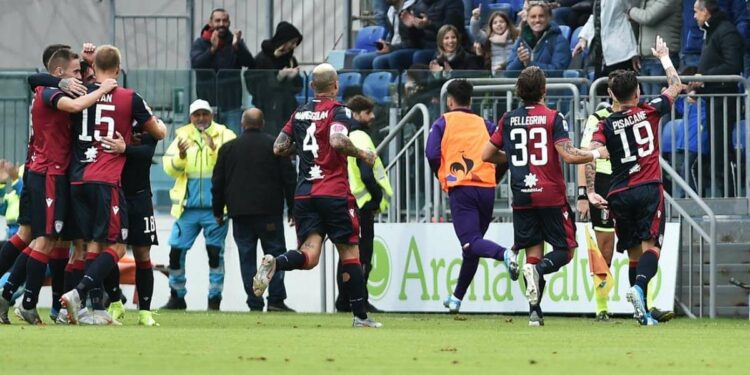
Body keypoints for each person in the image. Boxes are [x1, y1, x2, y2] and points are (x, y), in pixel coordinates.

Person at [252, 63, 382, 328]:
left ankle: (275, 262)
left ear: (312, 86)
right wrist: (363, 153)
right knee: (350, 254)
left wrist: (300, 150)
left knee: (309, 255)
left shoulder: (299, 112)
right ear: (336, 85)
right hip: (334, 192)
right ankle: (360, 316)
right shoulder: (339, 111)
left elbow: (278, 147)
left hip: (305, 195)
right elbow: (336, 142)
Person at [0, 48, 120, 325]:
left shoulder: (51, 88)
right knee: (48, 239)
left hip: (45, 171)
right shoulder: (48, 92)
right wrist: (104, 89)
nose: (80, 75)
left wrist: (90, 64)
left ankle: (8, 296)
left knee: (29, 236)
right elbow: (77, 105)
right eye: (75, 71)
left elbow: (82, 87)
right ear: (58, 73)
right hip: (50, 173)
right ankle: (28, 303)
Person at [481, 66, 608, 327]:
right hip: (549, 194)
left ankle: (534, 313)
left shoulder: (507, 118)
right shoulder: (553, 117)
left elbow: (486, 155)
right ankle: (538, 273)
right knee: (566, 250)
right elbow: (570, 155)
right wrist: (596, 154)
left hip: (522, 196)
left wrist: (517, 158)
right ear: (543, 90)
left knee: (533, 252)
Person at [60, 45, 167, 324]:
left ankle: (89, 310)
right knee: (117, 246)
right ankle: (79, 295)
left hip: (77, 177)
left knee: (90, 246)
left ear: (92, 68)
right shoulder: (129, 98)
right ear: (118, 70)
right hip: (106, 180)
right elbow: (158, 132)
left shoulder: (79, 94)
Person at [585, 36, 682, 326]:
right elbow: (676, 86)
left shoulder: (604, 124)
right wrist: (664, 57)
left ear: (612, 96)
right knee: (652, 247)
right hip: (649, 188)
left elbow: (593, 153)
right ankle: (639, 290)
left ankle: (642, 313)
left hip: (618, 194)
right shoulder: (650, 110)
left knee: (633, 254)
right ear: (638, 92)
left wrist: (589, 190)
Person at [424, 80, 510, 314]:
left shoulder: (443, 121)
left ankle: (505, 254)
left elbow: (431, 153)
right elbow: (503, 155)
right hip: (486, 190)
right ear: (471, 100)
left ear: (449, 100)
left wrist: (442, 175)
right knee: (471, 247)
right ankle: (456, 298)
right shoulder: (485, 124)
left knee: (470, 242)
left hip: (461, 188)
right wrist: (495, 176)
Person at [211, 108, 296, 312]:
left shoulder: (228, 149)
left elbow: (218, 183)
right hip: (269, 212)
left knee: (246, 257)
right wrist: (293, 208)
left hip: (240, 213)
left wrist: (217, 210)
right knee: (275, 254)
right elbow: (289, 178)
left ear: (242, 124)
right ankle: (275, 299)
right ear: (263, 123)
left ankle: (254, 301)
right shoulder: (274, 146)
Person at [161, 99, 236, 311]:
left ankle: (214, 300)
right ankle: (177, 296)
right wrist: (182, 156)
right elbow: (170, 168)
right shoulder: (182, 135)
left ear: (211, 115)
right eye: (197, 115)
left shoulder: (225, 134)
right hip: (187, 209)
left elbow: (232, 164)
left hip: (215, 209)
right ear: (191, 117)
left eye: (204, 114)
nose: (201, 118)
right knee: (175, 252)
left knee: (214, 254)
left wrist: (214, 150)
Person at [96, 129, 161, 326]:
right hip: (115, 195)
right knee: (112, 249)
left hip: (141, 199)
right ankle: (115, 302)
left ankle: (145, 312)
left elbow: (148, 152)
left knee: (143, 254)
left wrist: (125, 149)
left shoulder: (149, 127)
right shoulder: (111, 124)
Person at [335, 95, 392, 313]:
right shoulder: (360, 136)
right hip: (362, 204)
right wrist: (377, 197)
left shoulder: (344, 135)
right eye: (368, 112)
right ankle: (359, 299)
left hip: (346, 202)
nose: (373, 116)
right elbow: (367, 173)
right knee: (362, 256)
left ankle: (344, 300)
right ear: (357, 114)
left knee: (347, 254)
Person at [691, 0, 744, 197]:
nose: (694, 16)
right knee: (714, 150)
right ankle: (720, 194)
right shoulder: (712, 31)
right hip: (714, 100)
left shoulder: (726, 31)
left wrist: (704, 79)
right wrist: (698, 87)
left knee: (722, 150)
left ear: (707, 12)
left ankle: (730, 196)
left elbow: (732, 66)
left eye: (696, 11)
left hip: (725, 101)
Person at [191, 8, 255, 134]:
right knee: (208, 142)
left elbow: (250, 63)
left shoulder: (235, 42)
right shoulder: (201, 43)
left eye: (224, 21)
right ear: (211, 22)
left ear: (229, 23)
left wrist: (238, 47)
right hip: (208, 106)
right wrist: (212, 50)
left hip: (232, 104)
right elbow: (196, 64)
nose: (221, 24)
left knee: (232, 141)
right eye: (218, 20)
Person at [246, 22, 303, 136]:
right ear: (284, 41)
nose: (294, 46)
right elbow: (256, 85)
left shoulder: (290, 59)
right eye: (292, 42)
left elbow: (297, 87)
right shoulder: (262, 59)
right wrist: (279, 77)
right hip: (268, 110)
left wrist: (294, 77)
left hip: (287, 108)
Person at [573, 0, 638, 95]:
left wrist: (634, 52)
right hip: (601, 55)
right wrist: (583, 38)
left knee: (620, 95)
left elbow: (631, 11)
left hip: (620, 54)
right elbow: (595, 17)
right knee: (600, 94)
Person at [627, 0, 682, 96]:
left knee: (659, 101)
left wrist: (629, 11)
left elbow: (647, 17)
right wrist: (636, 52)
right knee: (649, 103)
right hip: (645, 58)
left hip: (661, 59)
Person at [506, 2, 571, 73]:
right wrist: (519, 60)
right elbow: (509, 72)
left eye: (541, 16)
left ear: (549, 18)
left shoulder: (560, 40)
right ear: (527, 19)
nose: (537, 20)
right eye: (533, 17)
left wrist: (529, 64)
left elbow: (558, 71)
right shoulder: (521, 40)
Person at [352, 0, 414, 70]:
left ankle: (390, 80)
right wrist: (385, 44)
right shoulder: (391, 11)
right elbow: (393, 36)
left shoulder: (410, 10)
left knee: (379, 61)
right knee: (358, 61)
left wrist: (391, 48)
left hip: (405, 49)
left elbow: (413, 43)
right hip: (394, 49)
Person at [470, 9, 519, 74]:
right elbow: (475, 32)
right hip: (496, 73)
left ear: (507, 23)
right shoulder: (488, 38)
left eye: (501, 21)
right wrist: (475, 18)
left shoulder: (515, 36)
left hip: (513, 71)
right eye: (495, 23)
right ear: (491, 26)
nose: (499, 24)